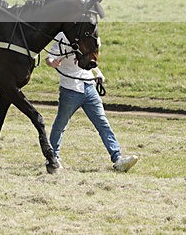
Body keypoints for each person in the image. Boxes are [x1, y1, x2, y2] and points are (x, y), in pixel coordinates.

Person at [46, 32, 139, 172]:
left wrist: (98, 73)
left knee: (103, 124)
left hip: (89, 87)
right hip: (70, 89)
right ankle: (53, 158)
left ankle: (118, 159)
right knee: (60, 125)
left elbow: (90, 58)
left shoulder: (88, 36)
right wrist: (52, 63)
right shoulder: (62, 36)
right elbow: (49, 57)